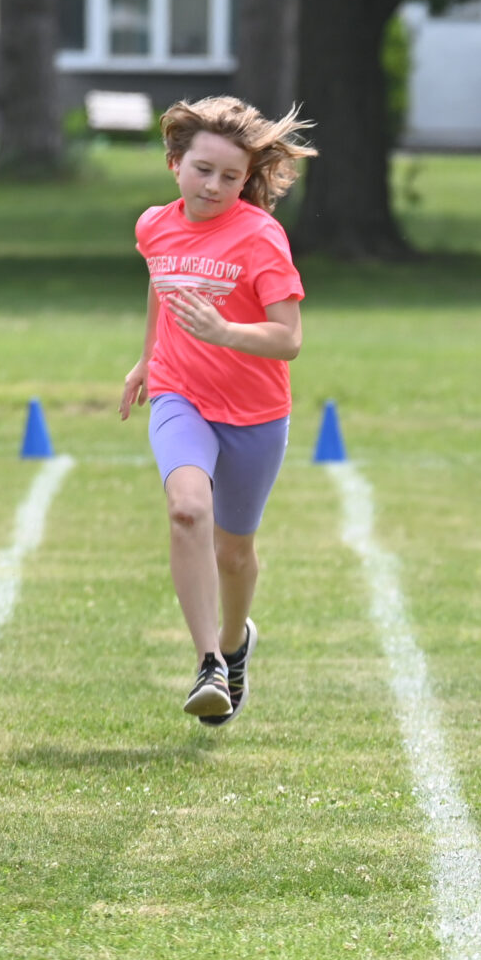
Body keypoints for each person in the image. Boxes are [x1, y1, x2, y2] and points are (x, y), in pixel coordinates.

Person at [120, 97, 314, 723]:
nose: (215, 186)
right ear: (175, 162)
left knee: (234, 553)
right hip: (182, 395)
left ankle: (234, 644)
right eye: (203, 170)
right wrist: (150, 358)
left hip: (255, 414)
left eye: (231, 177)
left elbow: (288, 339)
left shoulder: (261, 237)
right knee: (185, 509)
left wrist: (224, 331)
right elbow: (160, 276)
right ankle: (208, 663)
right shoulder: (154, 223)